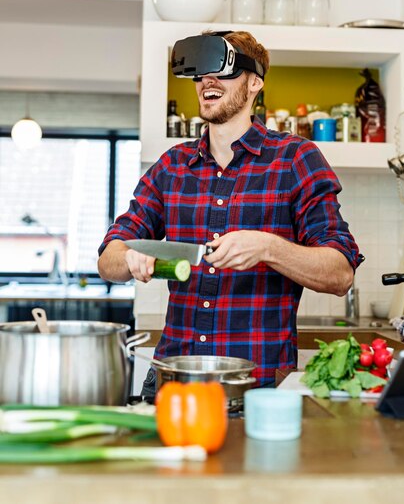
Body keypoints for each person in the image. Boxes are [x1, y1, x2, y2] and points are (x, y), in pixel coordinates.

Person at [98, 29, 363, 401]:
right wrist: (129, 257)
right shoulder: (172, 167)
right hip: (175, 382)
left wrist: (269, 248)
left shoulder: (295, 159)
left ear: (255, 82)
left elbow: (340, 274)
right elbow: (108, 259)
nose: (207, 81)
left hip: (258, 388)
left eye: (222, 71)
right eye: (200, 74)